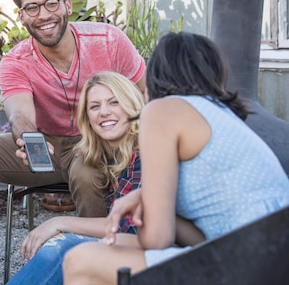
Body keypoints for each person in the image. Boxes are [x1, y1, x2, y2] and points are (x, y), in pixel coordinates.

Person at [62, 32, 289, 285]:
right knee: (107, 247)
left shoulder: (162, 111)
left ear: (156, 73)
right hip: (273, 258)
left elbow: (157, 240)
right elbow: (199, 240)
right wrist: (146, 198)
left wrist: (146, 202)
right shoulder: (219, 115)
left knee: (80, 260)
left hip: (247, 264)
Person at [0, 0, 146, 217]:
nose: (44, 15)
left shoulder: (108, 41)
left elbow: (145, 96)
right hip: (45, 143)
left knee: (87, 174)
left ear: (67, 5)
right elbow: (19, 115)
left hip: (98, 140)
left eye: (51, 3)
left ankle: (98, 251)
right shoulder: (16, 61)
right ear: (21, 16)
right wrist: (27, 139)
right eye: (32, 8)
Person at [7, 71, 143, 285]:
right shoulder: (106, 157)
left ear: (131, 106)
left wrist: (60, 222)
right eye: (95, 107)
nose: (104, 112)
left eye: (114, 102)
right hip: (126, 250)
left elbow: (130, 229)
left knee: (62, 248)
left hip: (159, 257)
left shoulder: (144, 150)